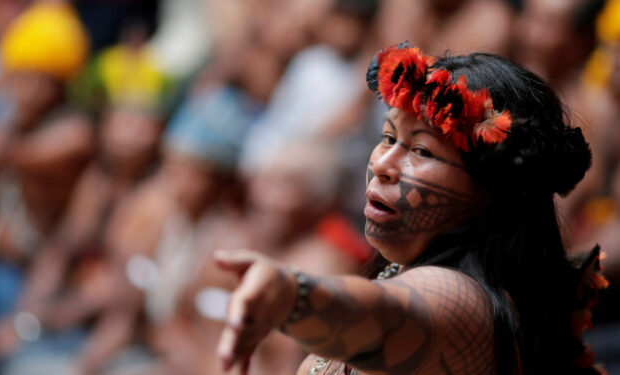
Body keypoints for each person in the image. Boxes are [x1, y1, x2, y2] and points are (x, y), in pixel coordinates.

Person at [215, 44, 607, 375]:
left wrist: (292, 295)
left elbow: (383, 317)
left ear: (491, 190)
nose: (383, 164)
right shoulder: (409, 272)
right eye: (387, 137)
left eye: (421, 150)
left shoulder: (463, 302)